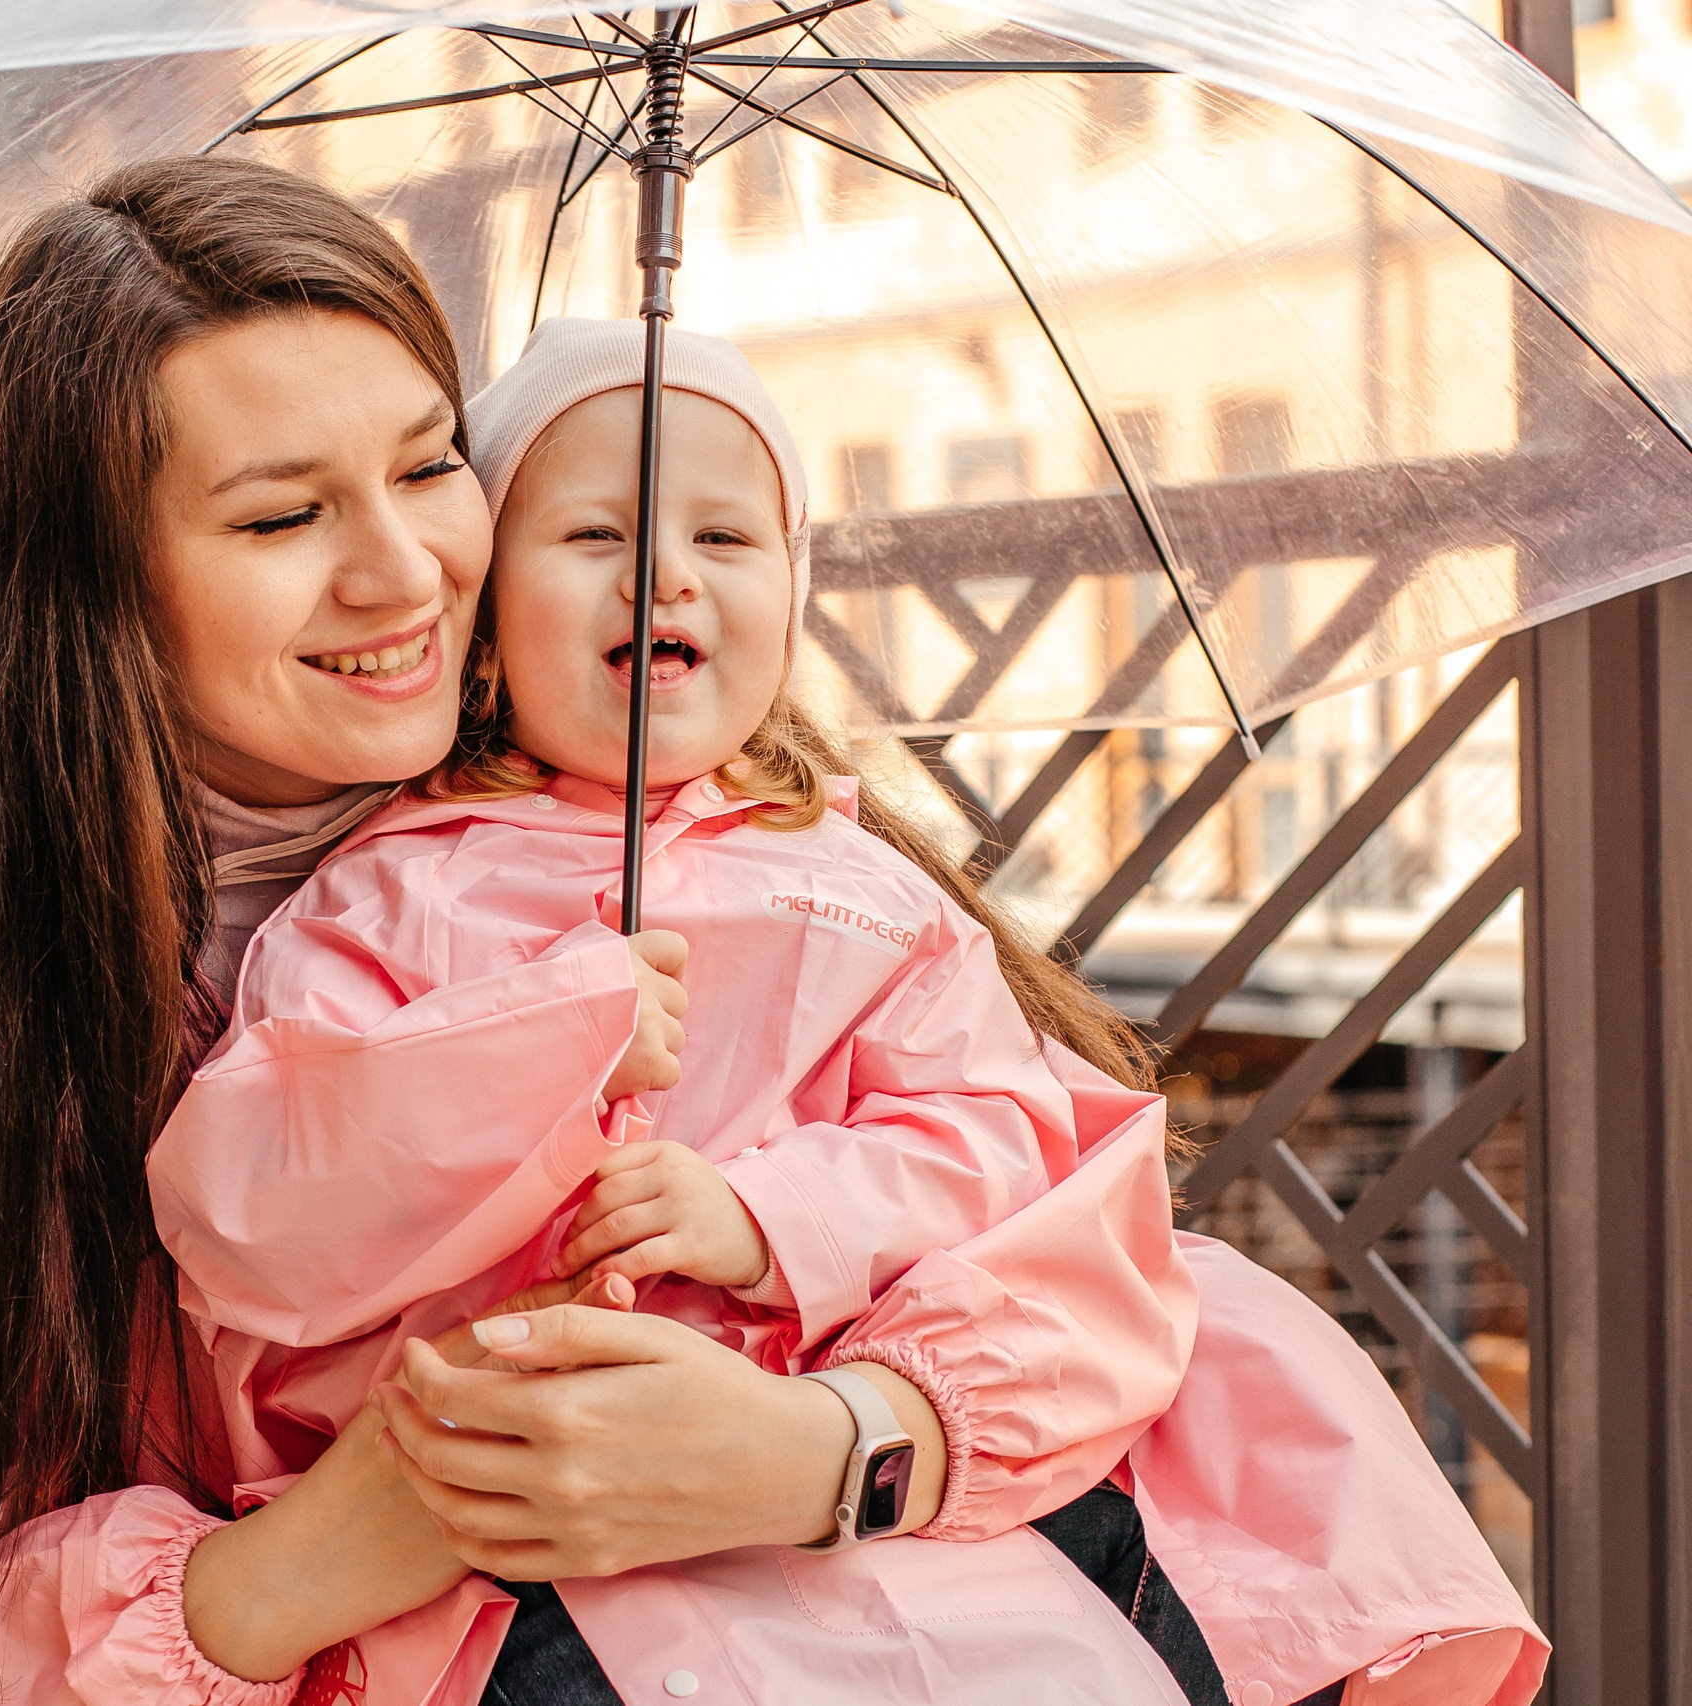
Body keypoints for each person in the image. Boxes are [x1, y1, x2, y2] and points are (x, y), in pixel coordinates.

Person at [0, 158, 1527, 1706]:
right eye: (284, 513)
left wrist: (822, 1446)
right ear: (98, 588)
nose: (403, 570)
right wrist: (311, 1559)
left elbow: (1057, 1209)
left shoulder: (670, 821)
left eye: (426, 463)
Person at [153, 318, 1544, 1706]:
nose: (663, 573)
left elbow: (995, 1131)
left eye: (726, 537)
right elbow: (263, 1195)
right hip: (523, 1559)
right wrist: (552, 1033)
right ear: (488, 629)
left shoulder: (862, 888)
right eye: (589, 538)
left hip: (839, 1501)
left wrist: (765, 1219)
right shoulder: (381, 894)